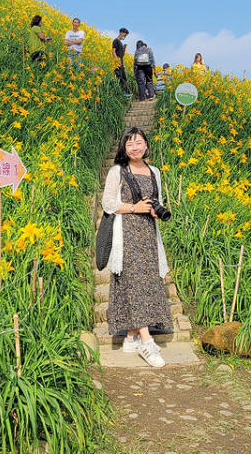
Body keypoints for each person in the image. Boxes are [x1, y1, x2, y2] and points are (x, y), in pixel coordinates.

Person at [101, 127, 172, 368]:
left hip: (149, 236)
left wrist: (153, 209)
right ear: (123, 147)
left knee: (146, 282)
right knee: (132, 282)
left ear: (146, 145)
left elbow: (158, 200)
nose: (135, 147)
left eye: (139, 142)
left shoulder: (154, 171)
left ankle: (130, 336)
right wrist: (134, 208)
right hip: (126, 233)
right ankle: (147, 341)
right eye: (129, 144)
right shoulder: (117, 171)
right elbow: (108, 203)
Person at [112, 28, 130, 96]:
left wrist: (124, 49)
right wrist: (117, 61)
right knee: (120, 78)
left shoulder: (120, 43)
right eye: (124, 35)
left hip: (121, 63)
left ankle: (124, 93)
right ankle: (121, 93)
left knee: (124, 78)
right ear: (121, 33)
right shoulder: (115, 41)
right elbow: (113, 51)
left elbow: (122, 55)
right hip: (117, 64)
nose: (124, 37)